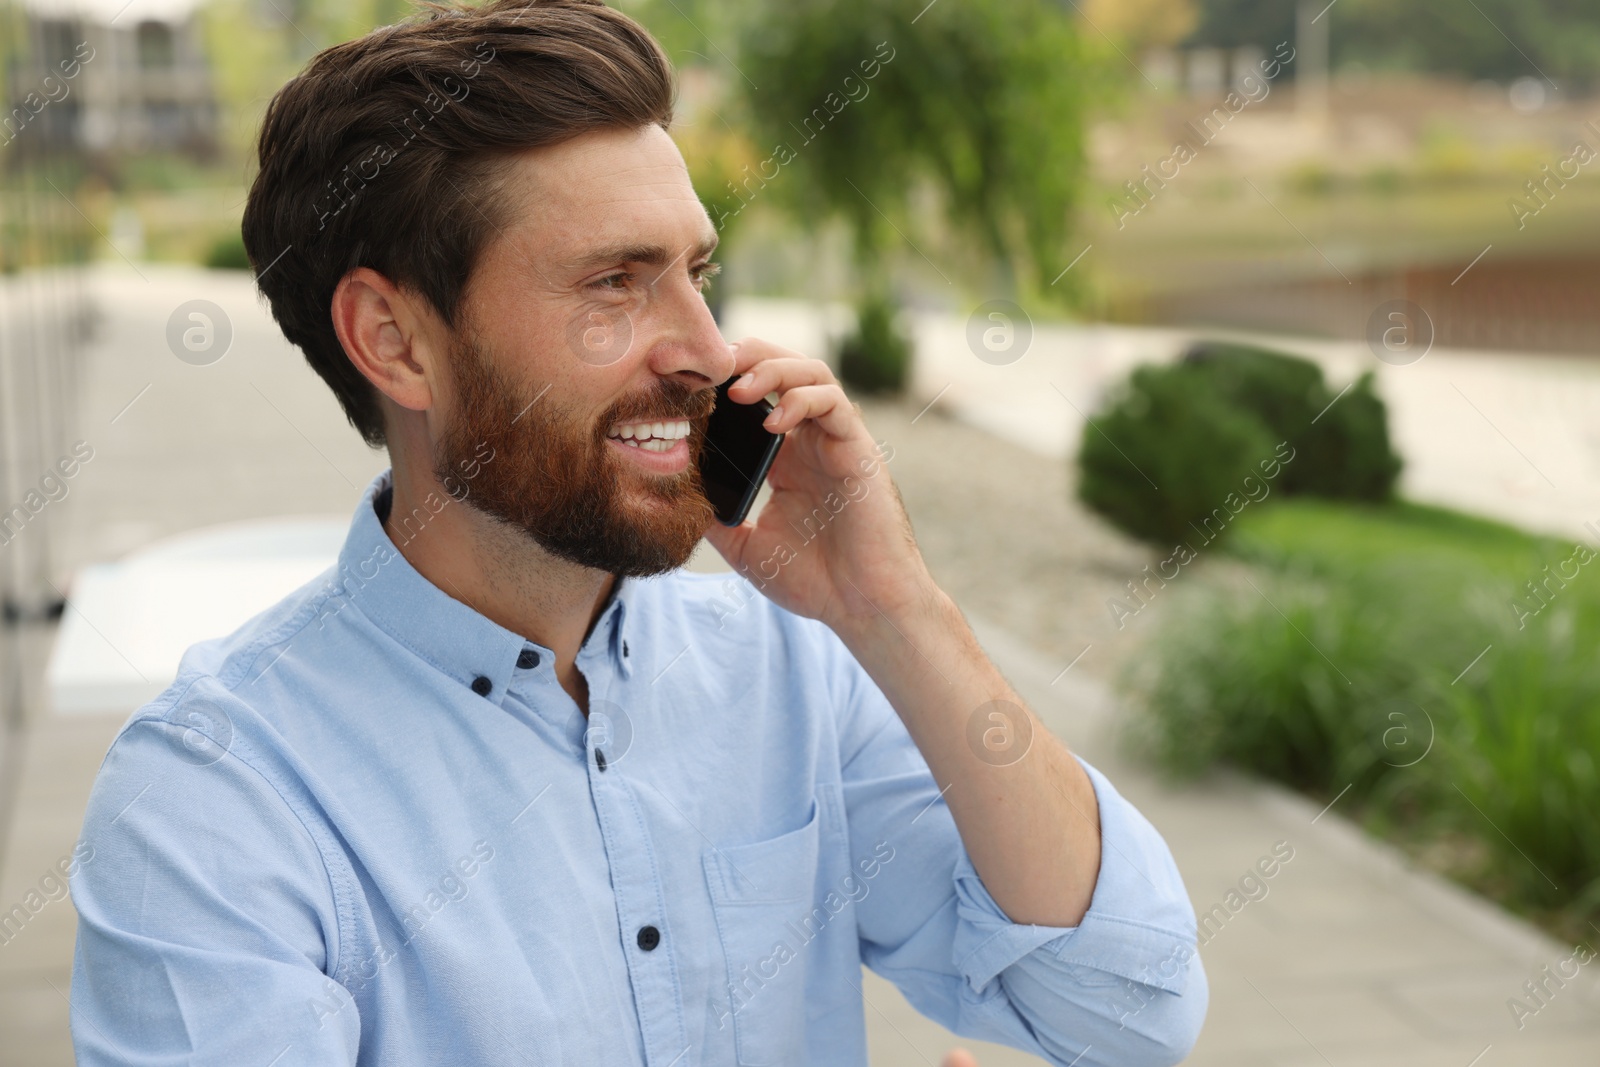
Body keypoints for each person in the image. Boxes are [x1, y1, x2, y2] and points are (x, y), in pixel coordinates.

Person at [68, 2, 1207, 1064]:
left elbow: (1125, 1008)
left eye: (696, 273)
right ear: (394, 341)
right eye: (613, 284)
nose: (709, 354)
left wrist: (892, 607)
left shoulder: (792, 666)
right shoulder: (219, 799)